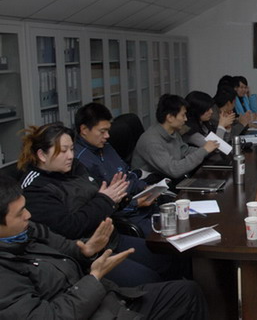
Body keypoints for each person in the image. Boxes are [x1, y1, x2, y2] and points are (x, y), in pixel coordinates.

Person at [0, 175, 206, 319]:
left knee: (187, 292)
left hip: (101, 300)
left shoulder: (27, 230)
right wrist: (94, 278)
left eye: (25, 208)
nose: (28, 215)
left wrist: (86, 250)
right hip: (90, 306)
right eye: (19, 213)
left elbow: (64, 246)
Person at [18, 123, 187, 287]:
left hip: (110, 238)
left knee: (170, 257)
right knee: (149, 279)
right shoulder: (34, 188)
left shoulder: (74, 167)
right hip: (85, 255)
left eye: (72, 149)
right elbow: (70, 227)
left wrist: (120, 198)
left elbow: (100, 195)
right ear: (42, 155)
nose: (70, 156)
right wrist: (106, 199)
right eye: (63, 151)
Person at [74, 102, 157, 237]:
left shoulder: (105, 147)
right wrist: (135, 204)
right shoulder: (79, 161)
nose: (107, 136)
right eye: (102, 131)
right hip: (127, 218)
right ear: (84, 129)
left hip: (145, 208)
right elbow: (99, 205)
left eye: (108, 130)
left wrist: (145, 187)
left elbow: (127, 174)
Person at [132, 94, 219, 181]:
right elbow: (174, 170)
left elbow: (184, 151)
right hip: (151, 185)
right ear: (170, 117)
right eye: (183, 115)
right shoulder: (151, 141)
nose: (186, 119)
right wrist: (204, 150)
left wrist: (208, 150)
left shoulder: (172, 132)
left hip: (168, 180)